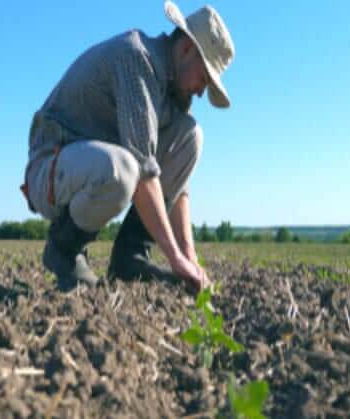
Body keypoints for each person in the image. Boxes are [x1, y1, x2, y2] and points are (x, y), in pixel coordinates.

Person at [20, 1, 234, 293]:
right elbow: (143, 173)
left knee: (191, 135)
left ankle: (129, 258)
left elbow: (177, 189)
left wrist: (188, 260)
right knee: (121, 169)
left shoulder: (173, 93)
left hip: (93, 167)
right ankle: (65, 248)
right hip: (51, 167)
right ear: (186, 49)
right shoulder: (137, 58)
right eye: (204, 77)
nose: (200, 90)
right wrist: (174, 257)